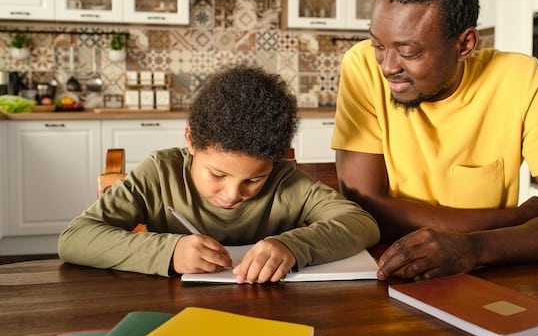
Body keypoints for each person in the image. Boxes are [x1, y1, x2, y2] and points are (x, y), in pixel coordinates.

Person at [331, 0, 538, 282]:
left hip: (484, 280)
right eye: (379, 45)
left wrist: (474, 248)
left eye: (408, 52)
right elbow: (364, 208)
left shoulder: (519, 78)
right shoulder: (362, 66)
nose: (387, 66)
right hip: (389, 273)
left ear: (465, 44)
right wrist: (514, 218)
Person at [58, 65, 379, 283]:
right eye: (217, 174)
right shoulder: (160, 174)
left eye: (254, 179)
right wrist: (169, 252)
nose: (231, 194)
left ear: (276, 161)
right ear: (191, 142)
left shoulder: (286, 181)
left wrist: (295, 246)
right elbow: (75, 239)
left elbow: (361, 224)